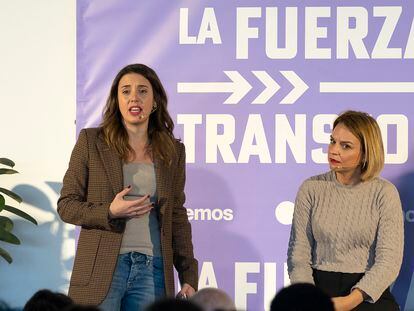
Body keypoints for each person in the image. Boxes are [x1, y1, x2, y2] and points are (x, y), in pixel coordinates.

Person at [58, 64, 198, 310]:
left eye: (143, 91)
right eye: (126, 91)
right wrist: (110, 212)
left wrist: (188, 274)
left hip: (152, 269)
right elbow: (67, 205)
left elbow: (176, 214)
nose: (134, 97)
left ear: (155, 101)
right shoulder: (91, 142)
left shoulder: (173, 151)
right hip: (101, 268)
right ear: (117, 100)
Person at [287, 110, 404, 311]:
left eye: (345, 146)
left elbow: (389, 261)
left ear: (366, 153)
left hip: (367, 295)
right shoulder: (311, 188)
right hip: (317, 290)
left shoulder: (384, 193)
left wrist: (349, 302)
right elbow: (298, 255)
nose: (333, 150)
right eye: (333, 141)